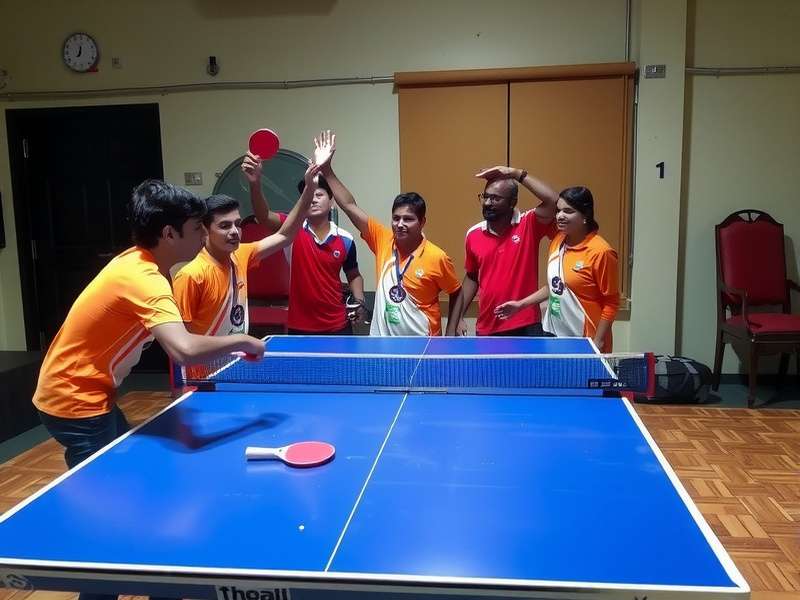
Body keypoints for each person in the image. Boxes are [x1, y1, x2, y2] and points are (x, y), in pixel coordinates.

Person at [33, 180, 266, 469]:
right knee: (104, 483)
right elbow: (183, 348)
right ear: (169, 233)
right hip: (75, 399)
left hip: (85, 390)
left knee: (124, 461)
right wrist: (243, 341)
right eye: (197, 229)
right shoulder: (145, 279)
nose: (204, 235)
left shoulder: (140, 263)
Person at [316, 131, 462, 336]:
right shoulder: (383, 239)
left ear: (422, 222)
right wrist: (327, 170)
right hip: (383, 346)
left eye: (408, 219)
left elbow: (456, 291)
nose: (400, 224)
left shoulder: (437, 257)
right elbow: (349, 206)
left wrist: (451, 330)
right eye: (396, 218)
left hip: (425, 346)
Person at [172, 161, 320, 336]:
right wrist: (240, 343)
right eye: (225, 226)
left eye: (237, 224)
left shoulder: (240, 254)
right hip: (204, 364)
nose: (235, 231)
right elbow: (182, 343)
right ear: (205, 230)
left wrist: (309, 189)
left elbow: (284, 235)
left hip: (236, 359)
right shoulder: (191, 276)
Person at [240, 149, 366, 335]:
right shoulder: (291, 229)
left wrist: (359, 301)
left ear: (331, 202)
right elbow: (264, 216)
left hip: (338, 324)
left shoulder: (346, 239)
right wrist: (255, 184)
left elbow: (353, 273)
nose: (313, 200)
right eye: (309, 195)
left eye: (319, 195)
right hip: (299, 326)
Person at [494, 187, 620, 352]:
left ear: (585, 216)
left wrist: (598, 342)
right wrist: (520, 305)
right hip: (553, 334)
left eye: (568, 211)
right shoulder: (557, 241)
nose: (560, 216)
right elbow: (554, 286)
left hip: (585, 339)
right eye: (559, 211)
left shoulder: (601, 252)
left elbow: (611, 303)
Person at [446, 166, 557, 337]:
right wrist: (459, 316)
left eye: (496, 198)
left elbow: (553, 201)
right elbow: (472, 277)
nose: (488, 203)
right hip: (488, 326)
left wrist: (515, 173)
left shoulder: (528, 224)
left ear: (512, 202)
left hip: (526, 323)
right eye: (486, 197)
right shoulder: (473, 234)